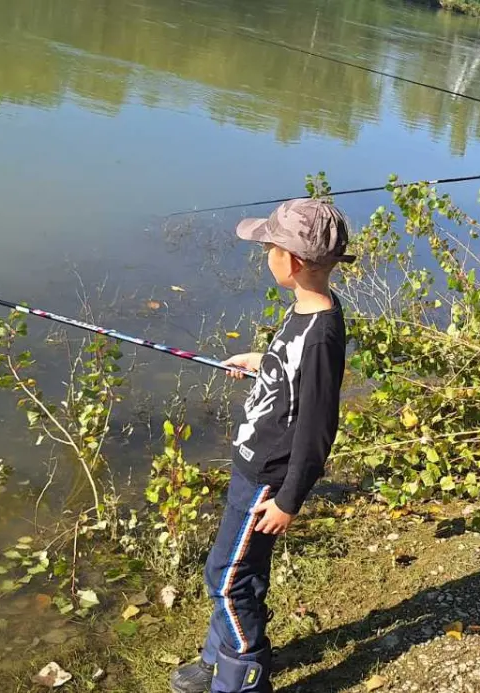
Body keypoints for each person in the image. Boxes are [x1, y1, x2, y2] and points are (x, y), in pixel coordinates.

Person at [170, 198, 352, 693]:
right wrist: (263, 361)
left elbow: (318, 428)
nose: (265, 254)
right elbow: (290, 371)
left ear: (290, 262)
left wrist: (289, 500)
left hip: (268, 481)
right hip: (251, 468)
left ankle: (242, 681)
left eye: (269, 247)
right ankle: (215, 661)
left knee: (226, 578)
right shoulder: (306, 314)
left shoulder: (321, 337)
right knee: (240, 570)